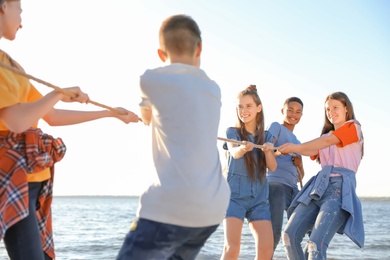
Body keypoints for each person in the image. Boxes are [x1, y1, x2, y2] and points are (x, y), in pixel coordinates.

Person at [0, 1, 141, 259]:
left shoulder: (11, 64)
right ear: (5, 5)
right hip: (11, 181)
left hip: (34, 180)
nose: (22, 20)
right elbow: (16, 122)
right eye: (20, 10)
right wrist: (56, 93)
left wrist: (109, 114)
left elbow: (49, 116)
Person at [116, 14, 230, 260]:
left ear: (160, 54)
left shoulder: (150, 80)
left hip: (171, 204)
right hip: (212, 208)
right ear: (199, 48)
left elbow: (147, 118)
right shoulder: (213, 88)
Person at [278, 91, 364, 259]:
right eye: (327, 109)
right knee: (288, 236)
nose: (331, 112)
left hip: (339, 190)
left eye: (335, 107)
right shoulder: (325, 136)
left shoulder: (353, 127)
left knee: (315, 244)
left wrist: (294, 147)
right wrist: (283, 147)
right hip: (318, 188)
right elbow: (312, 149)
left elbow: (323, 143)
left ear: (346, 108)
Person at [220, 85, 277, 260]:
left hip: (259, 199)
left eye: (248, 106)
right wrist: (243, 148)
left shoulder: (267, 137)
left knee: (267, 249)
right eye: (240, 107)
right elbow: (234, 152)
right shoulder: (232, 132)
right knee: (232, 248)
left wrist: (268, 151)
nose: (243, 111)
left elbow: (273, 167)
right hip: (234, 197)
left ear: (258, 108)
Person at [266, 97, 305, 253]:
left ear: (301, 115)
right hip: (276, 186)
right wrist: (280, 151)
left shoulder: (298, 141)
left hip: (293, 189)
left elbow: (300, 174)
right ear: (283, 111)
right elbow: (266, 151)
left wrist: (300, 163)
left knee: (306, 229)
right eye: (290, 110)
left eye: (298, 112)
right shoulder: (276, 127)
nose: (293, 114)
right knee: (274, 232)